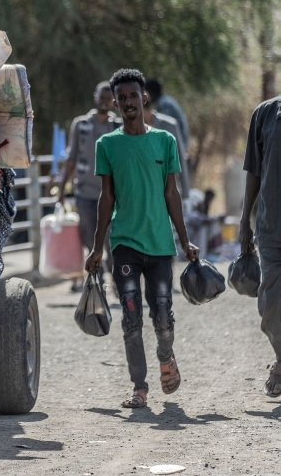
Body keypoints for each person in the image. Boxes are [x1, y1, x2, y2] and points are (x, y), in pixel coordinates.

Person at [85, 69, 199, 409]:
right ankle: (140, 387)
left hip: (161, 245)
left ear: (143, 97)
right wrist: (96, 247)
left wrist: (185, 240)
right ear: (116, 104)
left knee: (163, 316)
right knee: (131, 316)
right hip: (124, 245)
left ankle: (167, 357)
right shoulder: (106, 145)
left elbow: (172, 194)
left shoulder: (165, 141)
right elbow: (106, 199)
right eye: (121, 99)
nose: (127, 103)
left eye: (133, 96)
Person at [58, 81, 121, 288]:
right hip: (84, 193)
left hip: (112, 195)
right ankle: (97, 280)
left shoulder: (118, 127)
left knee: (113, 240)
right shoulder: (81, 124)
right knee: (89, 238)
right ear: (95, 98)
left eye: (108, 98)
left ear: (113, 101)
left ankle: (117, 280)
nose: (104, 102)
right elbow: (72, 158)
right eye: (101, 97)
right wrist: (61, 189)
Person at [239, 96, 281, 398]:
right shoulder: (266, 114)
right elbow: (254, 171)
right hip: (271, 228)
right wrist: (244, 222)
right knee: (271, 302)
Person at [145, 79, 190, 149]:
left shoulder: (164, 104)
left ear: (151, 93)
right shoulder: (165, 101)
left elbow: (166, 127)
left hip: (179, 143)